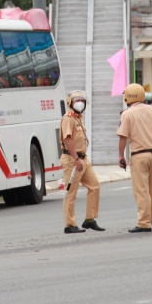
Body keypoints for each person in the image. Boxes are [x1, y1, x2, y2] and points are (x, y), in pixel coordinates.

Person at [117, 84, 152, 233]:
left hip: (139, 156)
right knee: (151, 190)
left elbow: (123, 137)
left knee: (141, 191)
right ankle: (149, 220)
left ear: (129, 96)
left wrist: (121, 156)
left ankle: (143, 223)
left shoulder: (127, 114)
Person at [59, 90, 104, 234]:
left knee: (94, 186)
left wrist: (80, 159)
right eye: (76, 100)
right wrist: (76, 159)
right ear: (70, 103)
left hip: (83, 159)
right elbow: (67, 139)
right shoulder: (68, 118)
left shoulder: (78, 118)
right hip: (73, 160)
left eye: (82, 101)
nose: (79, 103)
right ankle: (69, 224)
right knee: (71, 192)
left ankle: (90, 219)